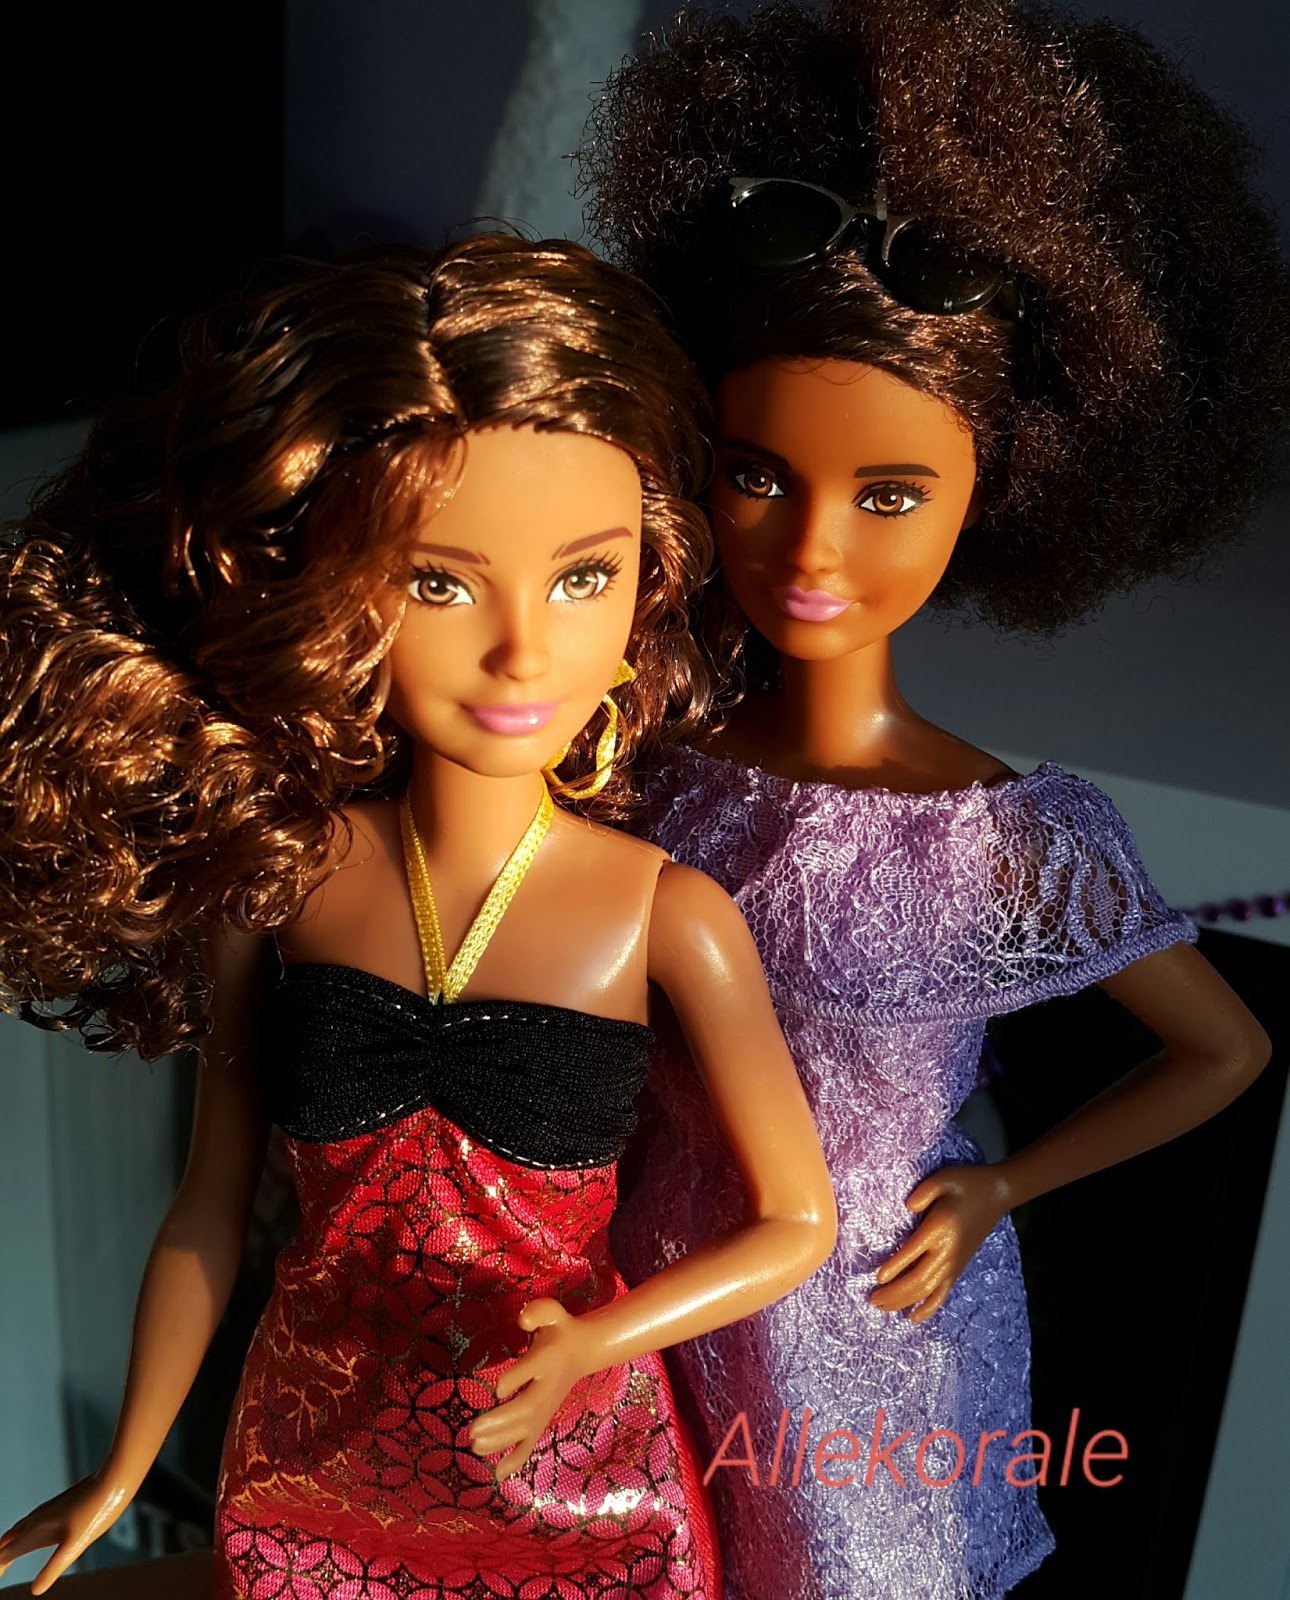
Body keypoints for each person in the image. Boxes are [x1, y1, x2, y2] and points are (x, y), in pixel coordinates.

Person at [0, 233, 837, 1600]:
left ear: (649, 577)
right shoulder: (283, 876)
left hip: (580, 1482)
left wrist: (600, 1341)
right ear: (334, 595)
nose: (524, 650)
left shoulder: (665, 915)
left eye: (584, 576)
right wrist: (123, 1471)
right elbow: (207, 1210)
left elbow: (797, 1220)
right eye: (439, 581)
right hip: (313, 1468)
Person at [580, 3, 1287, 1595]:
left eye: (890, 493)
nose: (812, 548)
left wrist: (999, 1187)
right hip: (639, 1290)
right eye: (755, 473)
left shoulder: (998, 835)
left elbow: (1224, 1049)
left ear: (1005, 490)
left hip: (865, 1339)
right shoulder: (644, 760)